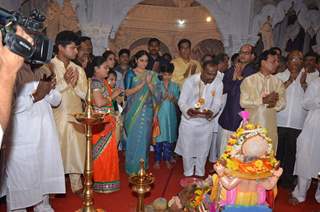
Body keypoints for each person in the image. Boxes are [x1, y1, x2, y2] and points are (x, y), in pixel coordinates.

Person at [3, 64, 65, 212]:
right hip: (21, 133)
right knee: (21, 174)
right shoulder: (8, 68)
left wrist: (48, 90)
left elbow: (56, 100)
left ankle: (43, 206)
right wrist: (35, 96)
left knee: (44, 168)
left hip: (45, 132)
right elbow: (6, 105)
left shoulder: (43, 68)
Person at [51, 30, 88, 195]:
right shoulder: (49, 66)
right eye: (73, 48)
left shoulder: (78, 69)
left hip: (75, 113)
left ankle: (76, 184)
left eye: (76, 48)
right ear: (60, 47)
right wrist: (65, 82)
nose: (76, 52)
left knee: (76, 148)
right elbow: (47, 93)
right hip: (56, 115)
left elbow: (84, 94)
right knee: (55, 149)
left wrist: (73, 85)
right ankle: (52, 186)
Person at [175, 60, 223, 177]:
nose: (211, 77)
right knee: (188, 149)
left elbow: (217, 103)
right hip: (189, 122)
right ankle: (188, 172)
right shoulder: (190, 81)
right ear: (202, 70)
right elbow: (181, 101)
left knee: (203, 149)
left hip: (206, 123)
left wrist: (212, 112)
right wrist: (188, 110)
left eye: (214, 74)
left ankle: (200, 173)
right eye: (208, 74)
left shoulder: (218, 83)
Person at [275, 50, 314, 189]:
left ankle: (287, 180)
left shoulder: (310, 79)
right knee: (277, 152)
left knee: (292, 153)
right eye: (293, 59)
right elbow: (275, 95)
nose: (296, 62)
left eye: (299, 59)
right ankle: (274, 179)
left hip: (298, 123)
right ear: (287, 61)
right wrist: (290, 81)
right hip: (280, 120)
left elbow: (311, 101)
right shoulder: (279, 76)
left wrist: (303, 84)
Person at [86, 56, 121, 193]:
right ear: (96, 69)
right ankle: (101, 182)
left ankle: (107, 182)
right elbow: (99, 102)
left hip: (107, 121)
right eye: (105, 67)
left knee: (109, 153)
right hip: (101, 122)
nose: (108, 69)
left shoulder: (102, 82)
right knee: (102, 154)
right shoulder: (95, 83)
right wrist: (113, 95)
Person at [240, 49, 286, 151]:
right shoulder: (249, 80)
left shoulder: (278, 83)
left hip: (270, 127)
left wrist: (274, 103)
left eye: (277, 61)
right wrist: (263, 100)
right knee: (249, 159)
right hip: (251, 127)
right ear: (263, 62)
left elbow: (282, 104)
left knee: (267, 159)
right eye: (273, 61)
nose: (277, 64)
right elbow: (243, 102)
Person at [123, 50, 159, 174]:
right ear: (136, 60)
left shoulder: (152, 75)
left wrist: (149, 84)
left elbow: (158, 95)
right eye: (141, 60)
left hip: (147, 110)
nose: (144, 63)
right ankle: (132, 167)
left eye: (146, 61)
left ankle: (142, 167)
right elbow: (126, 93)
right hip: (133, 111)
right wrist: (142, 84)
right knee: (133, 138)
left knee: (144, 139)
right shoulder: (130, 74)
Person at [217, 44, 256, 155]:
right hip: (229, 112)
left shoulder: (253, 73)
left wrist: (239, 80)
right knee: (225, 147)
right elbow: (223, 89)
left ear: (252, 56)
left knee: (239, 149)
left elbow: (251, 93)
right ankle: (222, 170)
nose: (242, 55)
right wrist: (234, 79)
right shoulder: (232, 70)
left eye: (246, 53)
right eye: (241, 52)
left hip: (243, 114)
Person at [0, 26, 33, 144]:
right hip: (19, 135)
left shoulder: (26, 67)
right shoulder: (12, 65)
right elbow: (14, 104)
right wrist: (8, 72)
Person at [290, 77, 320, 204]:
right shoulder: (316, 82)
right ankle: (300, 193)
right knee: (306, 158)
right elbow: (305, 103)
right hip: (314, 125)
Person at [153, 63, 180, 169]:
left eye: (169, 74)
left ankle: (168, 159)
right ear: (161, 74)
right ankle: (157, 160)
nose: (167, 77)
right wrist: (162, 98)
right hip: (159, 115)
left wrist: (173, 98)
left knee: (169, 138)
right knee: (159, 138)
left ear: (172, 74)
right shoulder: (157, 85)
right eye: (164, 74)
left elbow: (178, 102)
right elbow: (153, 101)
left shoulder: (175, 86)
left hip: (171, 115)